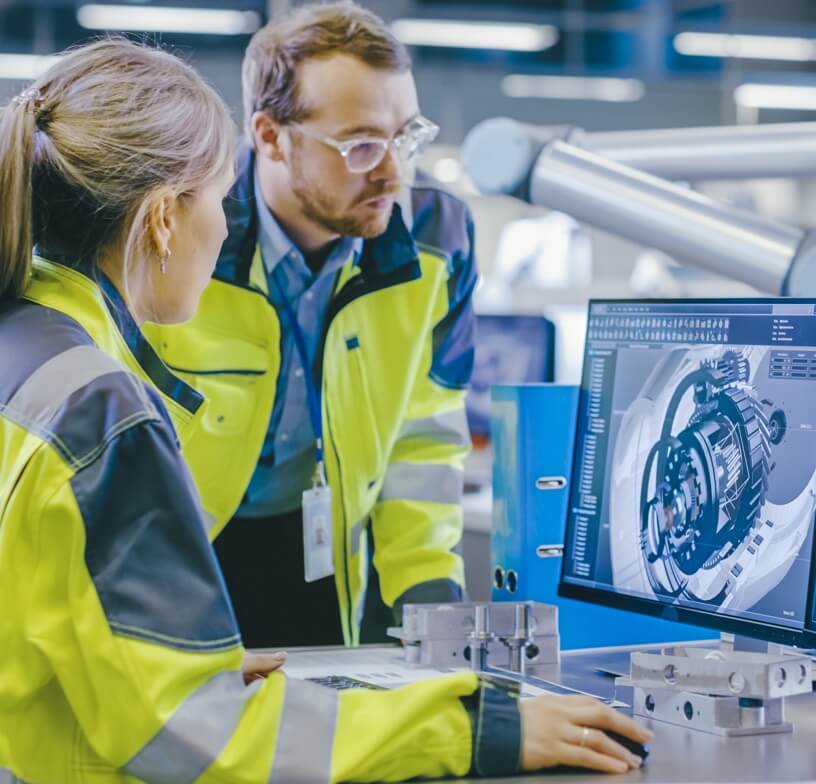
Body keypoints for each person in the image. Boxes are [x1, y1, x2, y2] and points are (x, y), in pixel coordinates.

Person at [0, 36, 652, 784]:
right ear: (160, 221)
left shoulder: (27, 350)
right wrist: (479, 728)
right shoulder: (100, 411)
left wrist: (164, 661)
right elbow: (207, 743)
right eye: (215, 196)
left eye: (405, 137)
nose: (393, 170)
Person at [145, 0, 478, 649]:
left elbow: (424, 435)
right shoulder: (183, 231)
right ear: (269, 135)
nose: (393, 171)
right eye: (359, 145)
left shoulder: (439, 237)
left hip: (324, 556)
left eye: (406, 137)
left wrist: (431, 603)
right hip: (183, 558)